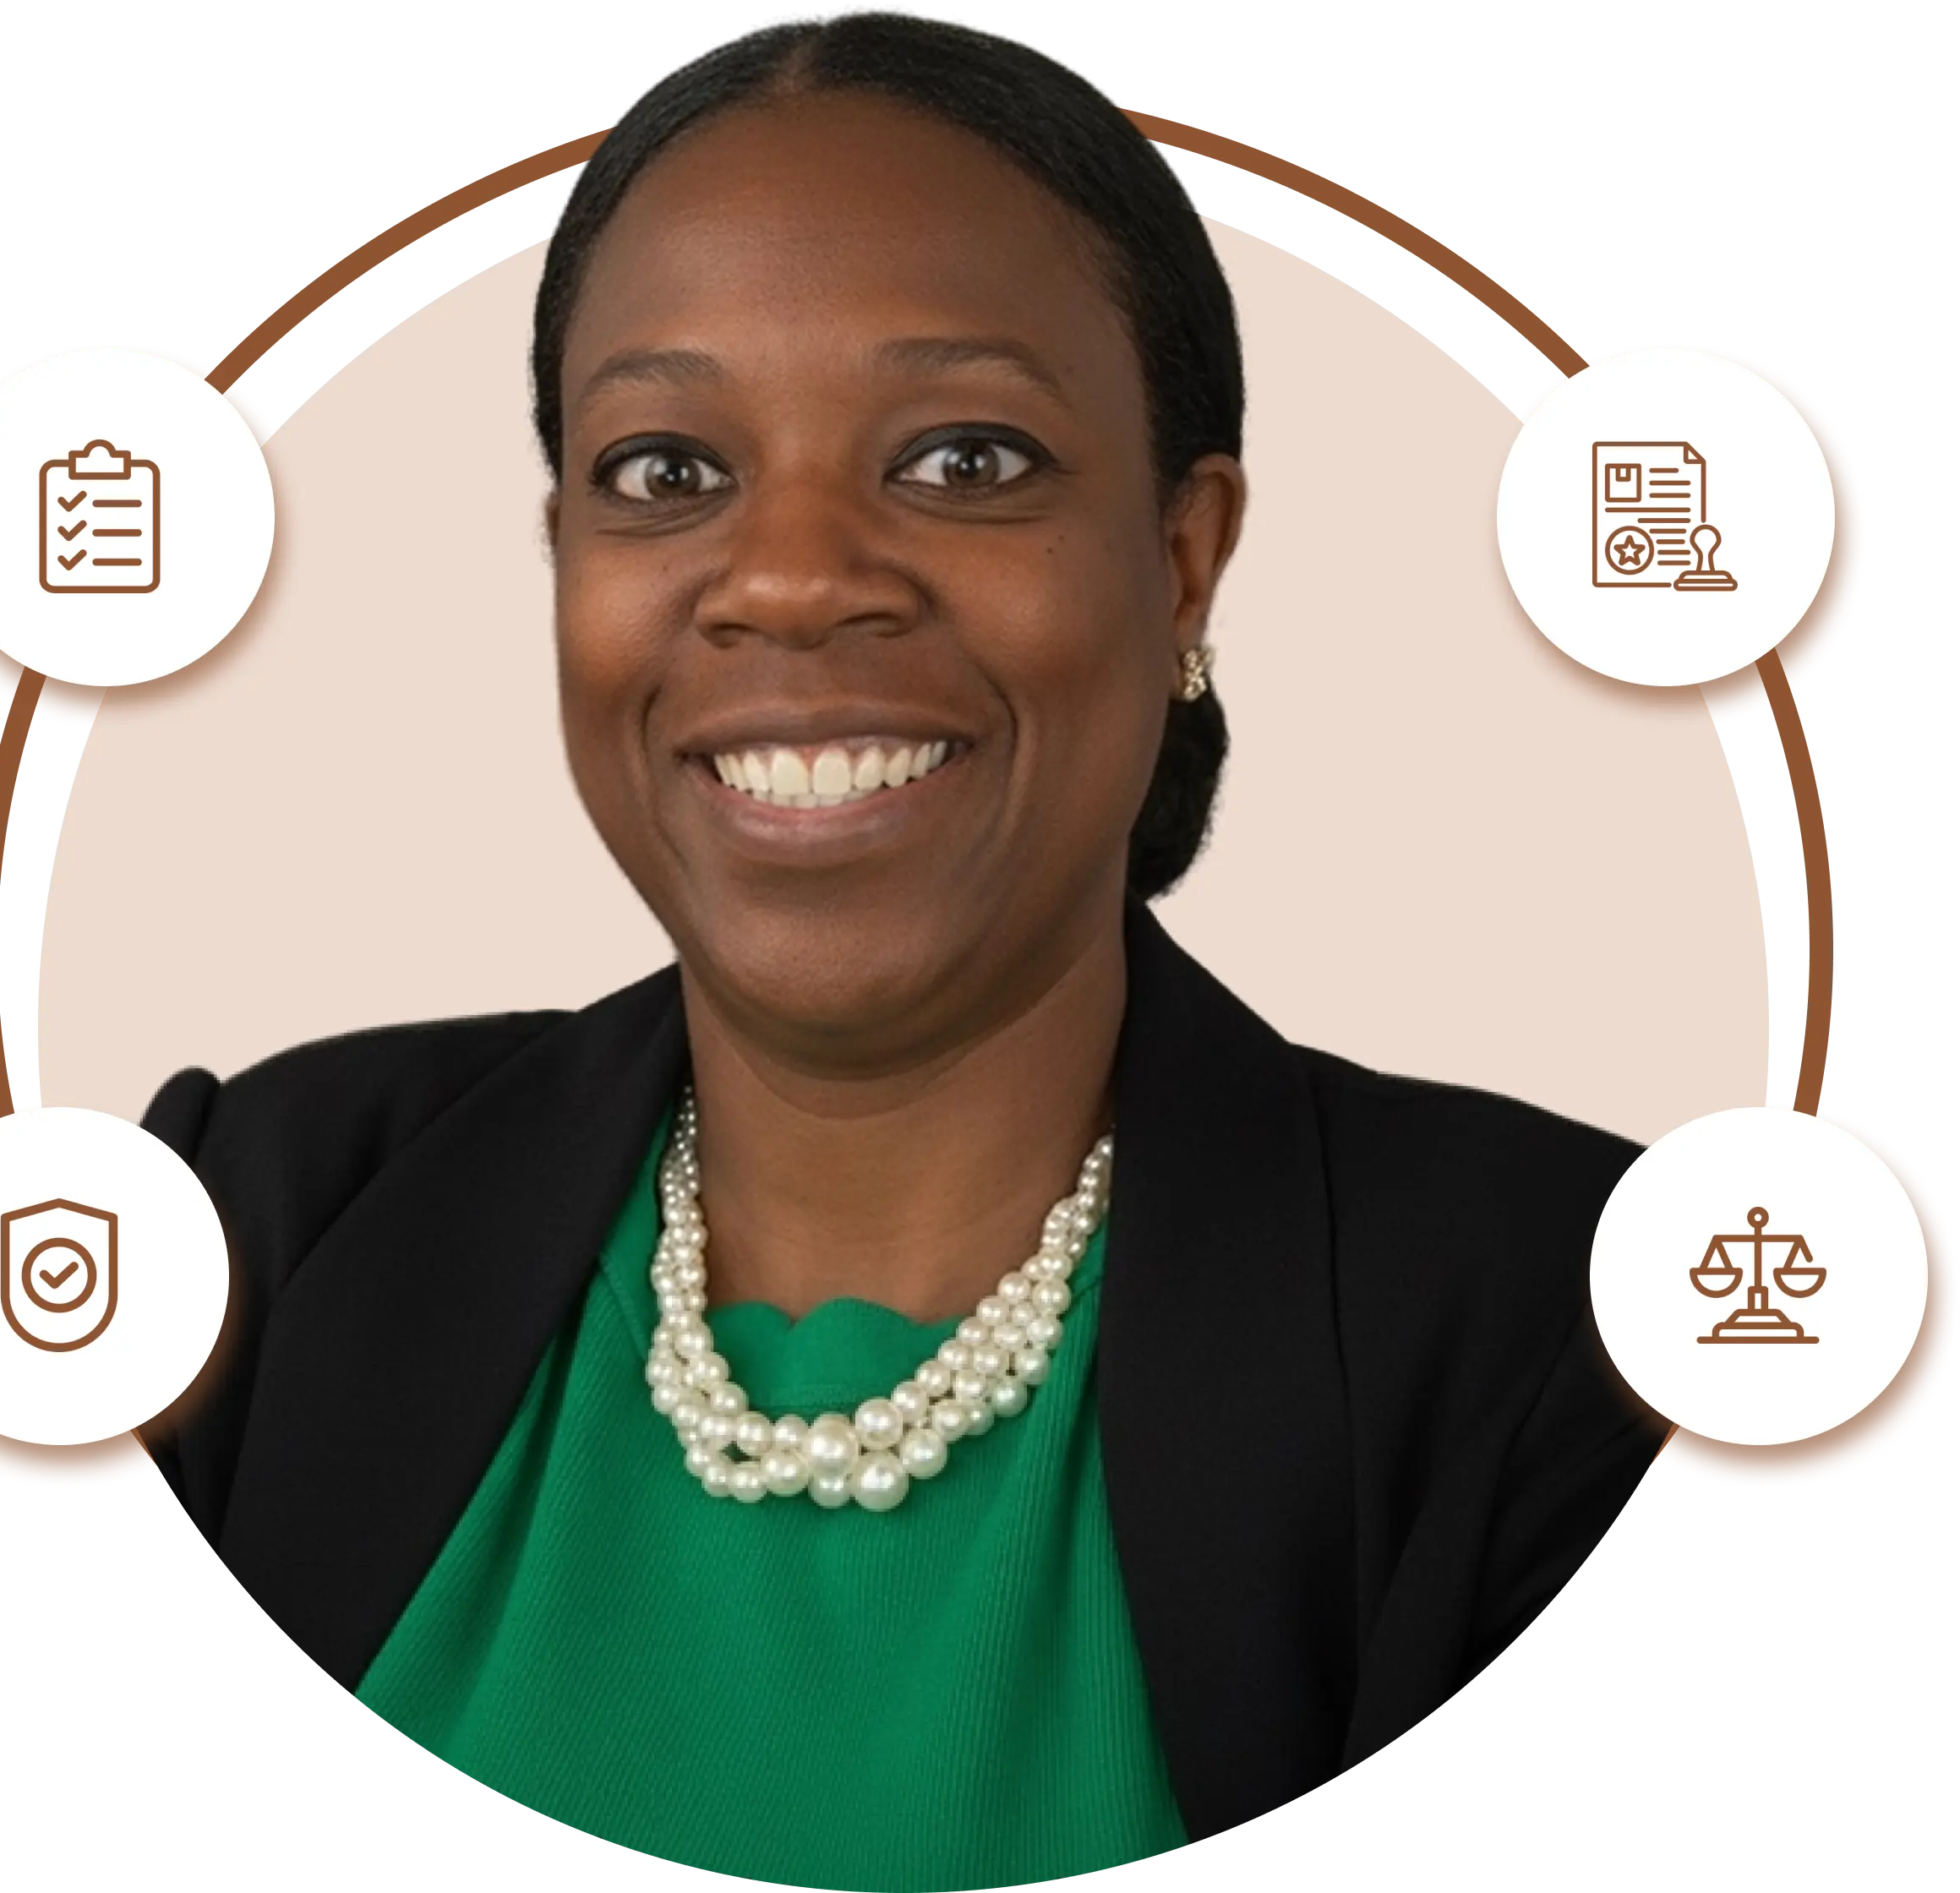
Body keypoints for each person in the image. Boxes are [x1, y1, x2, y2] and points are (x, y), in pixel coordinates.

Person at [139, 10, 1665, 1886]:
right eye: (664, 471)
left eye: (962, 458)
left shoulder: (1574, 1335)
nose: (785, 577)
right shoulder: (250, 1232)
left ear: (1181, 562)